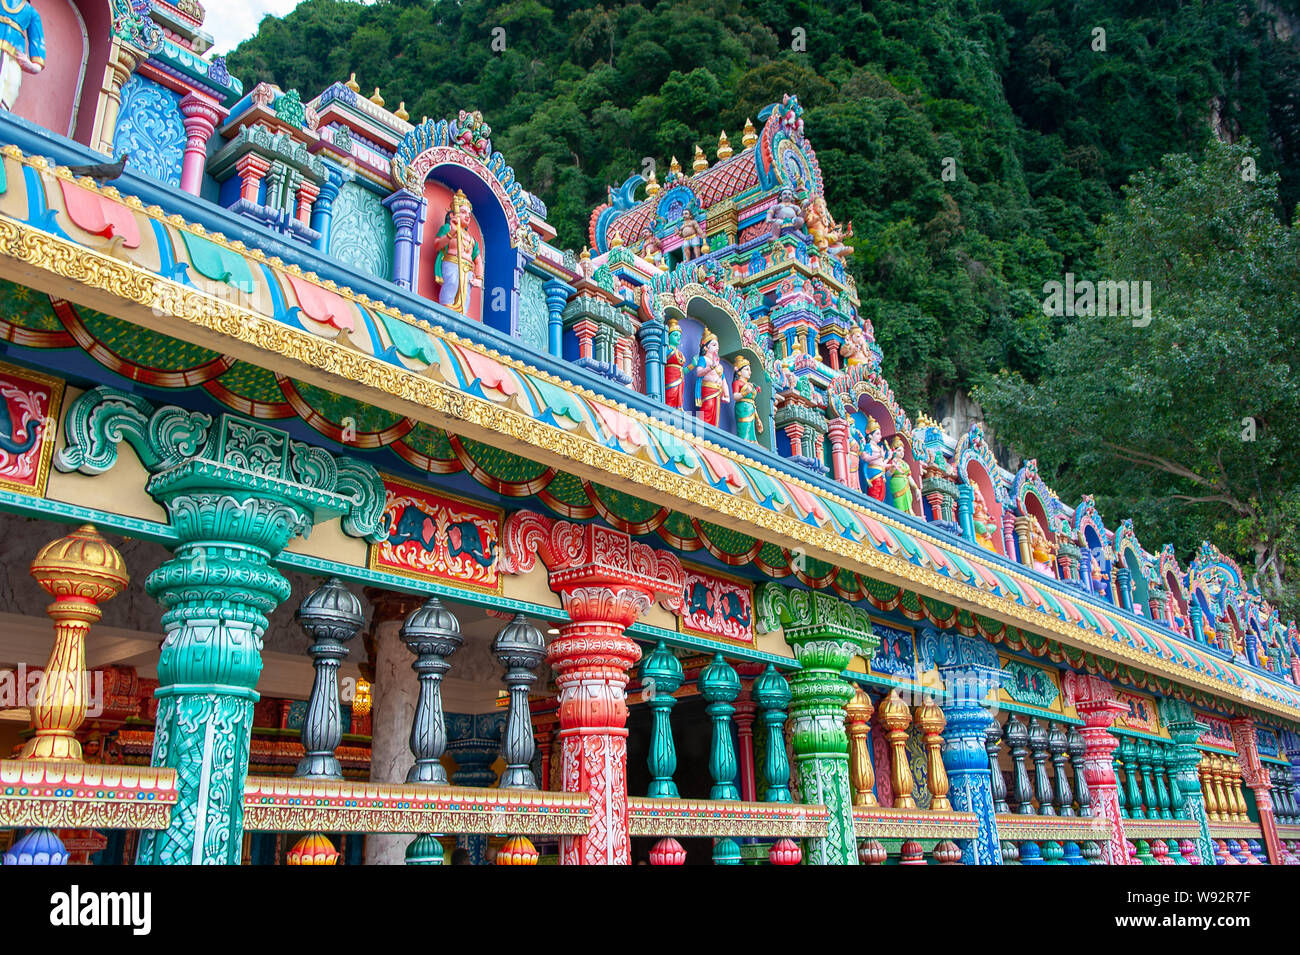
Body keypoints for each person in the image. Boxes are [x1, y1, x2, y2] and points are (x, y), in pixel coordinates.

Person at [428, 190, 483, 315]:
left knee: (465, 294)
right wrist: (451, 233)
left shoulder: (471, 239)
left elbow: (478, 260)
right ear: (453, 215)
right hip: (452, 263)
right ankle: (445, 310)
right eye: (463, 212)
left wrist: (479, 278)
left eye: (469, 214)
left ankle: (461, 315)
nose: (467, 216)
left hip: (467, 269)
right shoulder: (447, 228)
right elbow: (437, 245)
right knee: (452, 284)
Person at [0, 0, 44, 111]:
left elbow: (37, 40)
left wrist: (33, 66)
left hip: (14, 56)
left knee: (11, 87)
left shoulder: (31, 13)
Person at [691, 331, 729, 426]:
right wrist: (711, 367)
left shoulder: (718, 364)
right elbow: (699, 373)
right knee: (708, 408)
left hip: (717, 391)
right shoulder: (703, 359)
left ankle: (713, 430)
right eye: (714, 345)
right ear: (706, 347)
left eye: (718, 345)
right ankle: (703, 429)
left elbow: (723, 380)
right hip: (707, 389)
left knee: (715, 413)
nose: (717, 347)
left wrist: (727, 394)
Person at [732, 356, 763, 442]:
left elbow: (752, 403)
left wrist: (758, 419)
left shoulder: (750, 384)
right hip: (742, 408)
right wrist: (745, 393)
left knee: (751, 429)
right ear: (739, 372)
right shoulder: (737, 383)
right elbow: (735, 396)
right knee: (744, 428)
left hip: (751, 409)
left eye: (749, 369)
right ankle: (744, 441)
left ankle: (751, 442)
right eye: (746, 369)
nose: (750, 372)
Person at [663, 318, 685, 409]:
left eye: (679, 336)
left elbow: (684, 370)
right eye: (675, 335)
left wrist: (692, 364)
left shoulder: (680, 353)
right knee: (670, 395)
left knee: (679, 397)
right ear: (668, 337)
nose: (678, 338)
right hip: (670, 376)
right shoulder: (667, 349)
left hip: (680, 378)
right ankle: (669, 408)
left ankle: (678, 408)